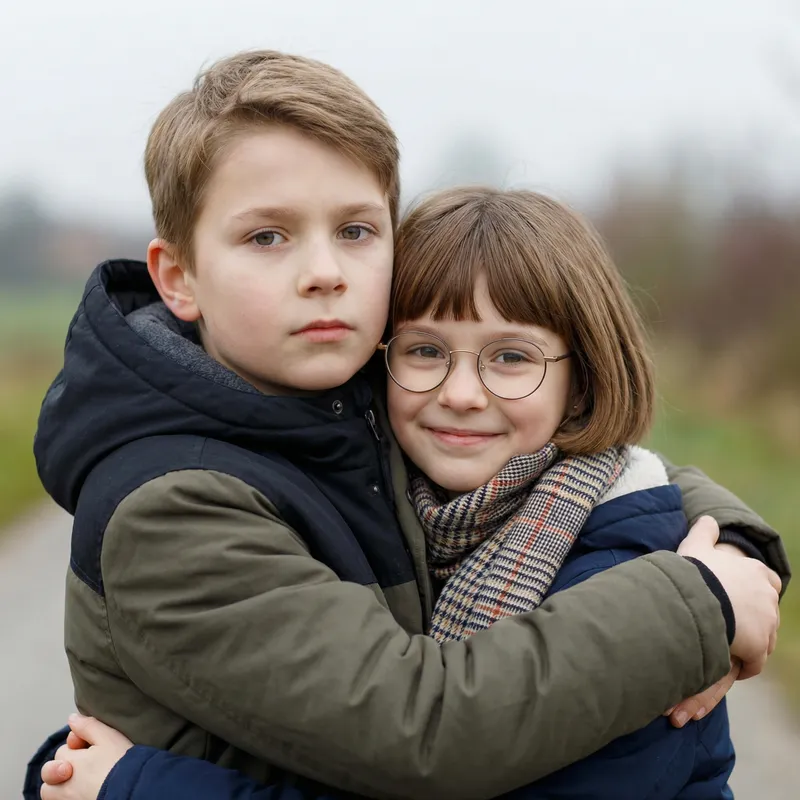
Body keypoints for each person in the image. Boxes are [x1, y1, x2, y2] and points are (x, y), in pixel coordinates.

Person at [30, 51, 785, 800]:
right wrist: (700, 606)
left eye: (355, 231)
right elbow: (423, 730)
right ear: (178, 277)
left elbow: (610, 469)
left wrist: (741, 553)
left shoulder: (354, 396)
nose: (324, 271)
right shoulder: (172, 508)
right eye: (268, 236)